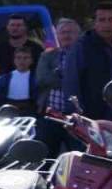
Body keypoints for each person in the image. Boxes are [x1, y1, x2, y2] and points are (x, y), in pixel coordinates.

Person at [64, 1, 112, 122]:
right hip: (91, 119)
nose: (107, 25)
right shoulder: (81, 48)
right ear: (94, 23)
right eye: (102, 20)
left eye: (111, 19)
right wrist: (78, 116)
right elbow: (71, 84)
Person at [35, 18, 81, 152]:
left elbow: (83, 81)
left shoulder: (83, 56)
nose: (66, 35)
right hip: (51, 115)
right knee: (46, 155)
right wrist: (69, 78)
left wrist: (59, 74)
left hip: (77, 117)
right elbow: (42, 80)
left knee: (79, 155)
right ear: (57, 36)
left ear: (78, 35)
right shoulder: (47, 56)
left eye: (70, 32)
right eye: (63, 32)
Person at [0, 46, 39, 115]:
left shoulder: (36, 79)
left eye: (25, 58)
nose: (22, 61)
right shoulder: (4, 79)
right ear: (14, 60)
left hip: (28, 112)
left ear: (31, 60)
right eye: (18, 58)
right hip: (8, 112)